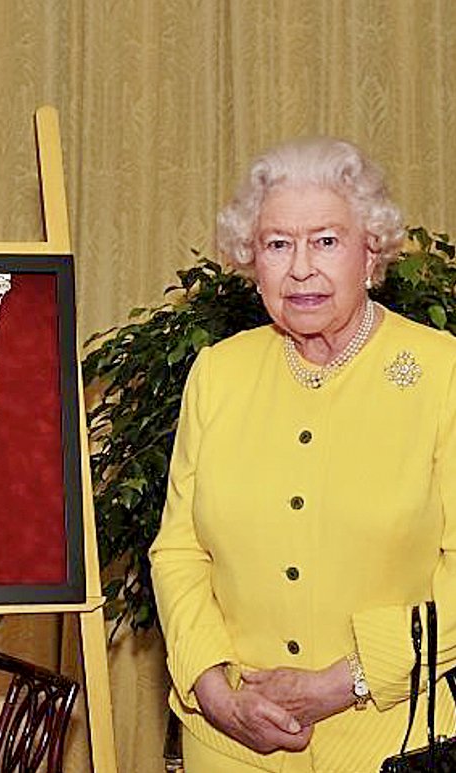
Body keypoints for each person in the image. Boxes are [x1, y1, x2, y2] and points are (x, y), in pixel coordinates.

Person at [149, 137, 456, 772]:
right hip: (227, 741)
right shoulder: (217, 374)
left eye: (326, 241)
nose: (300, 268)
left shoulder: (441, 372)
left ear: (370, 253)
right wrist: (212, 691)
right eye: (277, 244)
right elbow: (179, 552)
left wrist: (346, 681)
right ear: (251, 262)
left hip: (389, 740)